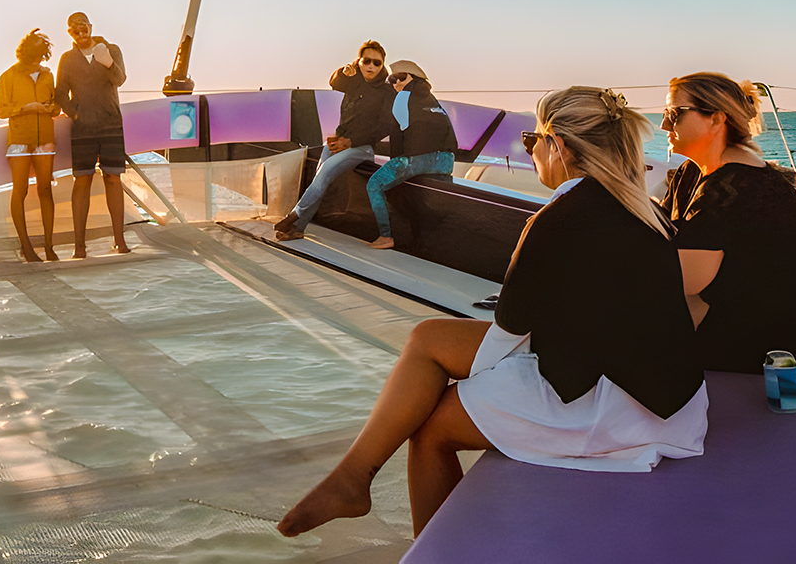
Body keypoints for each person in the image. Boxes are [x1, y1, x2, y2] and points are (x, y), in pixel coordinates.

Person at [280, 87, 706, 539]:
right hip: (667, 394)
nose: (530, 150)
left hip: (621, 410)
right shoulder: (643, 209)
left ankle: (426, 542)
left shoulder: (557, 221)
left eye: (531, 140)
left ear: (558, 146)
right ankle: (353, 477)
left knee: (429, 429)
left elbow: (508, 335)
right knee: (427, 337)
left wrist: (451, 388)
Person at [659, 72, 796, 371]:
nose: (663, 125)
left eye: (674, 114)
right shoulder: (693, 172)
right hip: (725, 312)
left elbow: (682, 280)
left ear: (716, 119)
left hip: (770, 342)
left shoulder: (736, 187)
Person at [273, 41, 392, 241]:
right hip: (339, 142)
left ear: (382, 65)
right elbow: (335, 82)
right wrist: (349, 69)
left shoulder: (387, 91)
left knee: (325, 172)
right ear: (359, 62)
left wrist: (350, 142)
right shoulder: (356, 82)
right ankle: (298, 228)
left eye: (377, 63)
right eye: (366, 61)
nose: (371, 66)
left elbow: (383, 128)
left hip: (362, 148)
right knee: (320, 176)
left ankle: (294, 216)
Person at [55, 11, 129, 257]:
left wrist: (107, 60)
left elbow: (119, 79)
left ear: (89, 26)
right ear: (70, 32)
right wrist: (74, 113)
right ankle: (79, 247)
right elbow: (60, 93)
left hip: (111, 124)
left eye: (83, 25)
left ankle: (119, 241)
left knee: (112, 178)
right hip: (83, 128)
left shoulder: (111, 49)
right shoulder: (67, 59)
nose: (79, 29)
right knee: (82, 180)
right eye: (73, 27)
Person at [365, 60, 457, 250]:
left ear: (413, 79)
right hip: (446, 161)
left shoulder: (403, 97)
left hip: (418, 159)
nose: (396, 83)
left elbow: (400, 127)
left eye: (401, 78)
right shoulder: (433, 100)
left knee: (374, 185)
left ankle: (385, 236)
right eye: (392, 79)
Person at [0, 29, 59, 262]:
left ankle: (50, 247)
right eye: (35, 58)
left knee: (45, 189)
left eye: (41, 58)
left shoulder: (47, 75)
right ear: (25, 55)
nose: (38, 63)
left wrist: (50, 108)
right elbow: (1, 110)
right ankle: (27, 247)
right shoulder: (7, 77)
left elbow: (55, 107)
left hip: (45, 139)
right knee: (20, 190)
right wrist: (25, 108)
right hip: (19, 140)